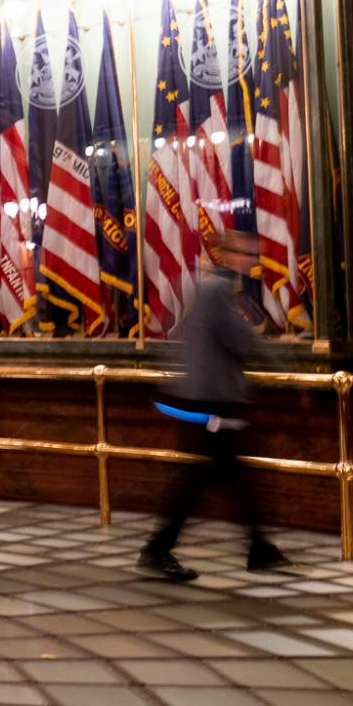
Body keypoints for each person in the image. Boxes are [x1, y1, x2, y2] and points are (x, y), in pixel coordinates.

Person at [138, 227, 289, 582]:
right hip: (210, 403)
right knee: (199, 481)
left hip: (207, 400)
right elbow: (239, 339)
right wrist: (281, 361)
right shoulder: (219, 290)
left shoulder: (212, 288)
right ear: (230, 255)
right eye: (248, 254)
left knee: (223, 477)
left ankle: (259, 548)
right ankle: (158, 550)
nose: (253, 261)